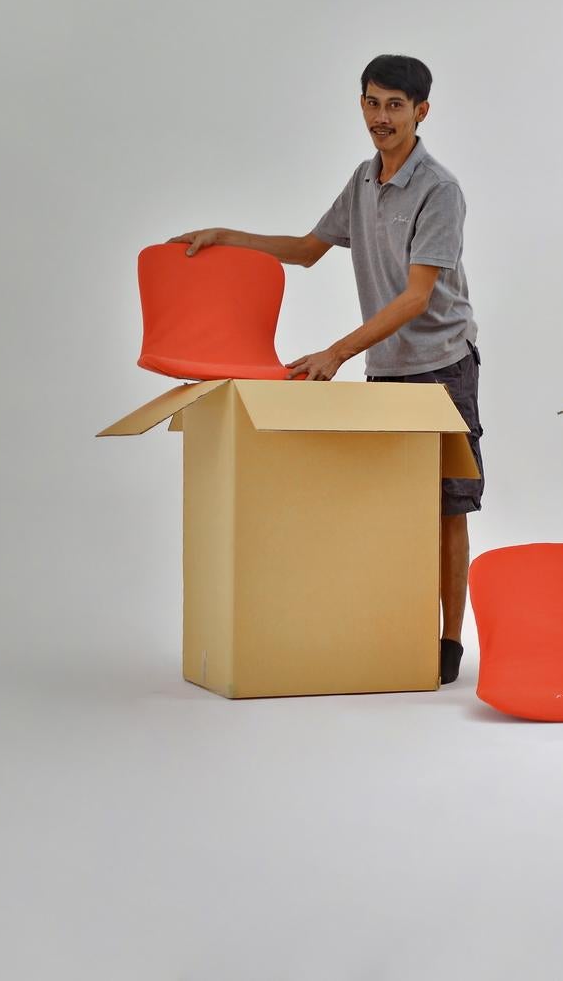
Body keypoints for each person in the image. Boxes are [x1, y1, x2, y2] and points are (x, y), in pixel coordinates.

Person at [171, 54, 481, 686]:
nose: (381, 117)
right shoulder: (362, 182)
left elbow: (417, 296)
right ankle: (396, 625)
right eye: (372, 103)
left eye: (395, 105)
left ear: (422, 112)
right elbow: (310, 251)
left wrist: (337, 352)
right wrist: (231, 237)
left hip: (442, 364)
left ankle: (449, 643)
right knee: (391, 504)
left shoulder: (439, 189)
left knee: (447, 509)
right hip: (388, 366)